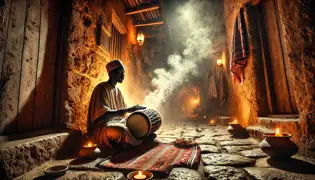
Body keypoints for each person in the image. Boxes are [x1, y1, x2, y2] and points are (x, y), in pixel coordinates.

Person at [87, 60, 149, 149]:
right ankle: (140, 142)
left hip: (117, 122)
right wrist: (128, 110)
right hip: (103, 127)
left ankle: (129, 142)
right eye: (120, 72)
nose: (123, 75)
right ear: (111, 74)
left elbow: (123, 111)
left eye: (123, 73)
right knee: (122, 131)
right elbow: (103, 114)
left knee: (136, 127)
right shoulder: (101, 88)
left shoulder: (118, 91)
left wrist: (137, 112)